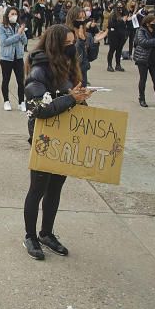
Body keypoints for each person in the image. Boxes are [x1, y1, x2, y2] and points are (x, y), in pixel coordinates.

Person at [22, 24, 94, 260]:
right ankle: (30, 237)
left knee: (55, 188)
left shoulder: (67, 66)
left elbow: (69, 97)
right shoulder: (38, 71)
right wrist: (71, 99)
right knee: (38, 188)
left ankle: (46, 233)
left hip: (64, 138)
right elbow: (39, 110)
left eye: (73, 43)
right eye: (67, 44)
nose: (72, 48)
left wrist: (80, 98)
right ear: (55, 45)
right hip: (44, 138)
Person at [132, 13, 155, 107]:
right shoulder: (141, 31)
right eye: (153, 22)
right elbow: (144, 43)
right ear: (148, 23)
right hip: (143, 59)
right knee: (143, 79)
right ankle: (142, 98)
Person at [0, 6, 28, 111]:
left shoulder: (18, 26)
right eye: (12, 14)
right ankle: (6, 101)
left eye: (15, 14)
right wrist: (18, 34)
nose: (14, 16)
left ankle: (21, 102)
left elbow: (25, 42)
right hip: (6, 58)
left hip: (19, 57)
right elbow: (4, 42)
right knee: (6, 80)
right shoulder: (3, 27)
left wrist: (22, 32)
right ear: (7, 15)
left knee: (21, 81)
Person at [65, 6, 98, 87]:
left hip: (82, 76)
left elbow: (91, 57)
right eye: (79, 18)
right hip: (68, 76)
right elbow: (75, 59)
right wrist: (80, 41)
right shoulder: (66, 34)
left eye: (84, 18)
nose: (82, 21)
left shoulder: (88, 35)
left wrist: (95, 43)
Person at [106, 2, 128, 72]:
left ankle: (118, 65)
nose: (120, 8)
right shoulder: (113, 14)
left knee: (119, 50)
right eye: (118, 6)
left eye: (121, 6)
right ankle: (109, 65)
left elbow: (127, 24)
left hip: (121, 34)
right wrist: (121, 20)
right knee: (112, 50)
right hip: (113, 34)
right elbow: (111, 25)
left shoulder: (125, 14)